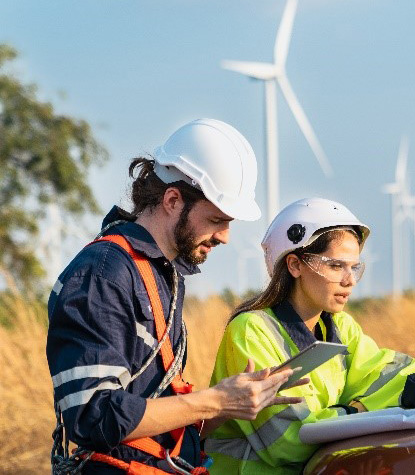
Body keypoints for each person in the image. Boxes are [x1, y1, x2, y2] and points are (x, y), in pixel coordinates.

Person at [46, 118, 308, 474]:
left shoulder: (160, 274)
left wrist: (232, 403)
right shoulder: (104, 273)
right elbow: (94, 415)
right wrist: (213, 401)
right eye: (217, 220)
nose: (225, 237)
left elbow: (154, 412)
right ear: (172, 199)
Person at [206, 197, 415, 474]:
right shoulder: (251, 330)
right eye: (336, 266)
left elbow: (386, 375)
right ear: (295, 265)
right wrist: (358, 412)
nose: (349, 281)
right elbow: (289, 440)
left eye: (354, 267)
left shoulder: (340, 327)